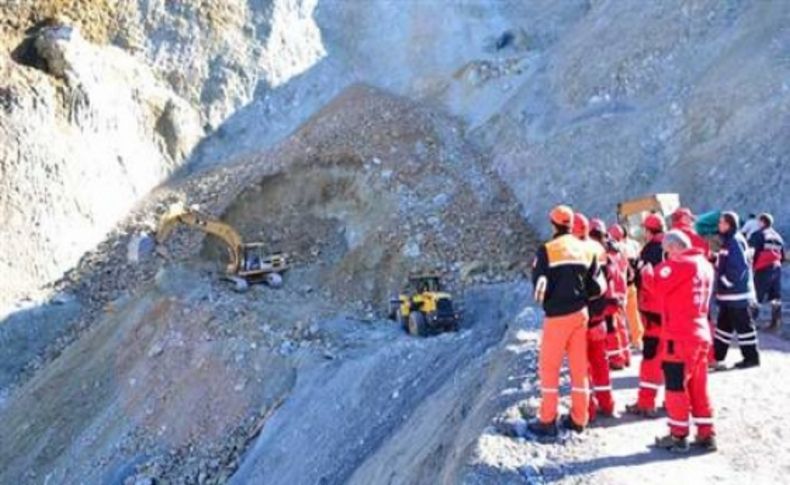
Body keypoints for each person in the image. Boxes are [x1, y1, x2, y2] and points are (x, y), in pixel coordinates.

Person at [528, 206, 602, 436]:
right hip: (581, 315)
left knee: (549, 368)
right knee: (579, 368)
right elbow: (597, 287)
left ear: (553, 224)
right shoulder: (587, 250)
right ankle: (580, 418)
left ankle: (548, 419)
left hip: (557, 317)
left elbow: (538, 286)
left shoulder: (547, 250)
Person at [642, 230, 717, 453]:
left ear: (674, 248)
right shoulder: (704, 264)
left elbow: (655, 283)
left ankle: (678, 435)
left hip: (679, 335)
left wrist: (645, 271)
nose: (667, 257)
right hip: (700, 332)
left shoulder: (682, 265)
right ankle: (706, 433)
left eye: (667, 252)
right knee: (699, 386)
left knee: (675, 386)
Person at [572, 213, 614, 421]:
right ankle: (607, 404)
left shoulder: (573, 253)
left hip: (581, 320)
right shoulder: (600, 250)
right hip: (600, 318)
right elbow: (611, 277)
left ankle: (588, 410)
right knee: (601, 363)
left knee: (582, 367)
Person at [626, 213, 666, 417]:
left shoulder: (651, 251)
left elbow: (646, 281)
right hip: (671, 312)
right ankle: (673, 401)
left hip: (653, 312)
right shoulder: (672, 248)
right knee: (672, 358)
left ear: (649, 231)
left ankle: (646, 402)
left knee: (650, 359)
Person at [713, 212, 760, 368]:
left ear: (729, 224)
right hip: (731, 296)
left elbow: (738, 269)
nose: (719, 225)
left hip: (737, 295)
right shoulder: (731, 240)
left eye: (721, 222)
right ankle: (717, 356)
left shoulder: (734, 241)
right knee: (723, 327)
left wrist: (724, 282)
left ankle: (751, 358)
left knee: (744, 328)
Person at [590, 220, 629, 370]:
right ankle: (624, 357)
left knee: (610, 329)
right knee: (619, 326)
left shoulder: (599, 252)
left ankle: (616, 359)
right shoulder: (617, 250)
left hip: (607, 295)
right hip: (620, 291)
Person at [748, 213, 785, 331]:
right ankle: (776, 322)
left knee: (757, 295)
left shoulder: (758, 234)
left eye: (758, 221)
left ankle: (750, 322)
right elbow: (782, 257)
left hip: (763, 268)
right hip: (777, 269)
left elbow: (750, 252)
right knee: (775, 297)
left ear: (762, 222)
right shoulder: (778, 237)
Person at [620, 224, 645, 351]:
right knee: (634, 314)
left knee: (619, 318)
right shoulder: (634, 245)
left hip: (619, 287)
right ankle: (637, 339)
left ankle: (623, 342)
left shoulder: (616, 248)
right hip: (632, 285)